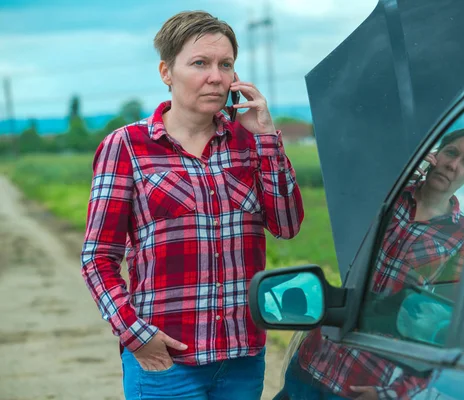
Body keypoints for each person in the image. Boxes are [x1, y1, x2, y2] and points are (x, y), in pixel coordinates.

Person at [80, 11, 304, 400]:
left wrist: (268, 137)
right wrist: (134, 334)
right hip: (166, 361)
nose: (216, 76)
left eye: (226, 64)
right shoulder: (127, 147)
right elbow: (97, 257)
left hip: (242, 357)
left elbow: (286, 225)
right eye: (200, 63)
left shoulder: (251, 142)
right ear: (167, 71)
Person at [286, 128, 464, 399]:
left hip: (363, 382)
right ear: (436, 153)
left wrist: (395, 394)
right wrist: (405, 168)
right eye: (451, 152)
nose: (453, 165)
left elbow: (445, 329)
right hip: (313, 360)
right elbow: (346, 189)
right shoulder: (385, 193)